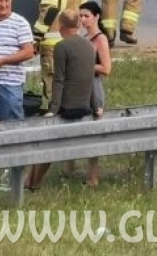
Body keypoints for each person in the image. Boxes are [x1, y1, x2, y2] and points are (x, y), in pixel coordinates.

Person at [24, 10, 100, 191]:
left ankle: (32, 183)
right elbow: (90, 79)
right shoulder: (89, 46)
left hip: (67, 108)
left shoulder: (61, 47)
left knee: (46, 145)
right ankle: (29, 183)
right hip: (85, 107)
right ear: (79, 25)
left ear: (60, 26)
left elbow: (59, 80)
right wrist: (96, 106)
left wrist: (54, 108)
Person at [33, 0, 88, 109]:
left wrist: (37, 37)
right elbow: (84, 9)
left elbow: (49, 11)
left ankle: (52, 113)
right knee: (71, 79)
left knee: (53, 82)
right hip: (74, 38)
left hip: (53, 41)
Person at [77, 0, 110, 186]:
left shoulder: (100, 39)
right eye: (81, 16)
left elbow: (106, 68)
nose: (83, 20)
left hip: (94, 87)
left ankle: (93, 177)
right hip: (81, 87)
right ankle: (70, 167)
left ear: (96, 17)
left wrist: (84, 65)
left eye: (86, 16)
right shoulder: (84, 37)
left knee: (94, 132)